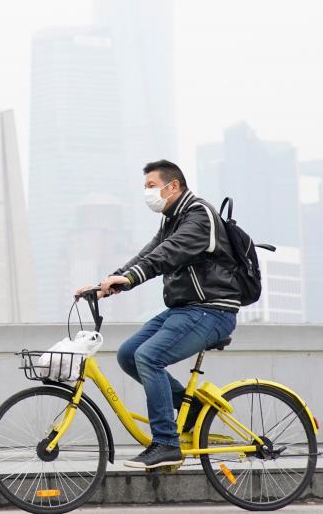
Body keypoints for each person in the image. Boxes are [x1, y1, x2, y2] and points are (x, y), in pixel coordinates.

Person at [76, 159, 241, 470]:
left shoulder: (198, 215)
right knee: (128, 354)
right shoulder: (171, 219)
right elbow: (148, 254)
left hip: (212, 310)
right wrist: (108, 283)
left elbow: (169, 253)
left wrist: (132, 277)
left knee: (149, 357)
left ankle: (166, 443)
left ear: (173, 186)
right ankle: (187, 409)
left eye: (151, 187)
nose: (147, 194)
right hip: (185, 310)